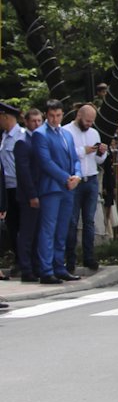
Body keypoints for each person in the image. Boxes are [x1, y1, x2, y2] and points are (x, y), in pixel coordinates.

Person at [33, 99, 82, 284]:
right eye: (52, 116)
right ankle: (46, 270)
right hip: (52, 188)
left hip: (68, 188)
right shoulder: (40, 134)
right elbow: (46, 163)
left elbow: (75, 158)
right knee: (48, 229)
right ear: (46, 115)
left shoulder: (66, 134)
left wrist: (77, 175)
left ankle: (59, 267)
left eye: (58, 115)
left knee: (63, 229)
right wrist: (66, 178)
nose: (55, 119)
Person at [65, 103, 107, 273]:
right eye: (87, 121)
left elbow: (98, 161)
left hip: (91, 178)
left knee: (89, 221)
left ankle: (89, 258)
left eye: (92, 121)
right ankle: (70, 259)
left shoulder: (94, 133)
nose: (89, 124)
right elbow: (66, 153)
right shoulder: (67, 131)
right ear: (79, 116)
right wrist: (84, 150)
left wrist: (101, 152)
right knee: (72, 221)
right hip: (76, 180)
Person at [14, 108, 41, 281]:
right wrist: (32, 195)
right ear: (26, 122)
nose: (37, 124)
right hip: (29, 195)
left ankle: (36, 266)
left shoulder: (40, 139)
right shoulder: (23, 142)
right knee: (27, 233)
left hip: (42, 192)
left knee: (38, 232)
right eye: (33, 121)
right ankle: (26, 269)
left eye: (39, 121)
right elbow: (23, 172)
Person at [0, 101, 26, 279]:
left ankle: (24, 262)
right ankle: (18, 259)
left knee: (22, 227)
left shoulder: (21, 136)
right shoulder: (3, 137)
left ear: (5, 117)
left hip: (19, 187)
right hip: (6, 189)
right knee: (12, 227)